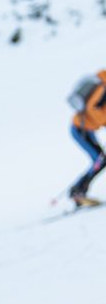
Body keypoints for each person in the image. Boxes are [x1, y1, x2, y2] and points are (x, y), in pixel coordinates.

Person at [66, 69, 106, 207]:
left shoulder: (102, 83)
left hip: (87, 129)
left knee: (101, 160)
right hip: (80, 130)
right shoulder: (101, 88)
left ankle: (78, 190)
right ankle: (77, 191)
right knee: (100, 160)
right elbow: (92, 110)